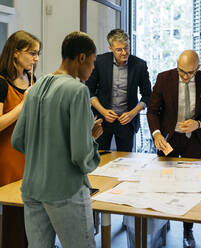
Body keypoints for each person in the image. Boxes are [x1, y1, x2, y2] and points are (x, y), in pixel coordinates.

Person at [11, 31, 103, 247]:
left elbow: (18, 140)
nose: (93, 68)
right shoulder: (78, 91)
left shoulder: (34, 89)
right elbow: (80, 154)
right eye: (92, 62)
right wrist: (91, 143)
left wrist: (44, 156)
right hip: (65, 189)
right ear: (82, 58)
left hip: (32, 187)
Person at [147, 50, 201, 248]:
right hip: (168, 138)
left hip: (192, 139)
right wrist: (157, 134)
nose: (185, 77)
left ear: (198, 68)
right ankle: (162, 223)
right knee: (165, 181)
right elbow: (152, 111)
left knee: (189, 185)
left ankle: (188, 229)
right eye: (181, 71)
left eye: (189, 73)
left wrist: (198, 124)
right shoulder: (164, 78)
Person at [0, 30, 41, 248]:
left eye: (38, 54)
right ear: (16, 53)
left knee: (34, 216)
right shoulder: (1, 83)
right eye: (32, 53)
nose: (36, 58)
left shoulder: (32, 80)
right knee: (15, 215)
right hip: (10, 156)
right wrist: (23, 105)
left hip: (32, 155)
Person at [86, 28, 151, 152]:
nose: (124, 53)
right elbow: (89, 90)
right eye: (119, 49)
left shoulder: (139, 65)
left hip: (127, 121)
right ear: (110, 48)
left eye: (126, 48)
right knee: (99, 156)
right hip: (102, 119)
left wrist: (133, 113)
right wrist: (103, 111)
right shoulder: (99, 62)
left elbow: (147, 95)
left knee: (126, 160)